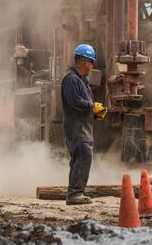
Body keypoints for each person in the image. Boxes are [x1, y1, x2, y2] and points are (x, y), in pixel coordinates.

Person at [61, 44, 107, 205]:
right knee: (82, 156)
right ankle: (74, 194)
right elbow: (74, 102)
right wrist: (91, 107)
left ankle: (76, 192)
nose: (92, 66)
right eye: (91, 62)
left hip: (82, 125)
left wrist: (94, 113)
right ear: (83, 61)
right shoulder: (72, 79)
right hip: (77, 127)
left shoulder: (80, 80)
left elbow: (83, 103)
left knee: (82, 157)